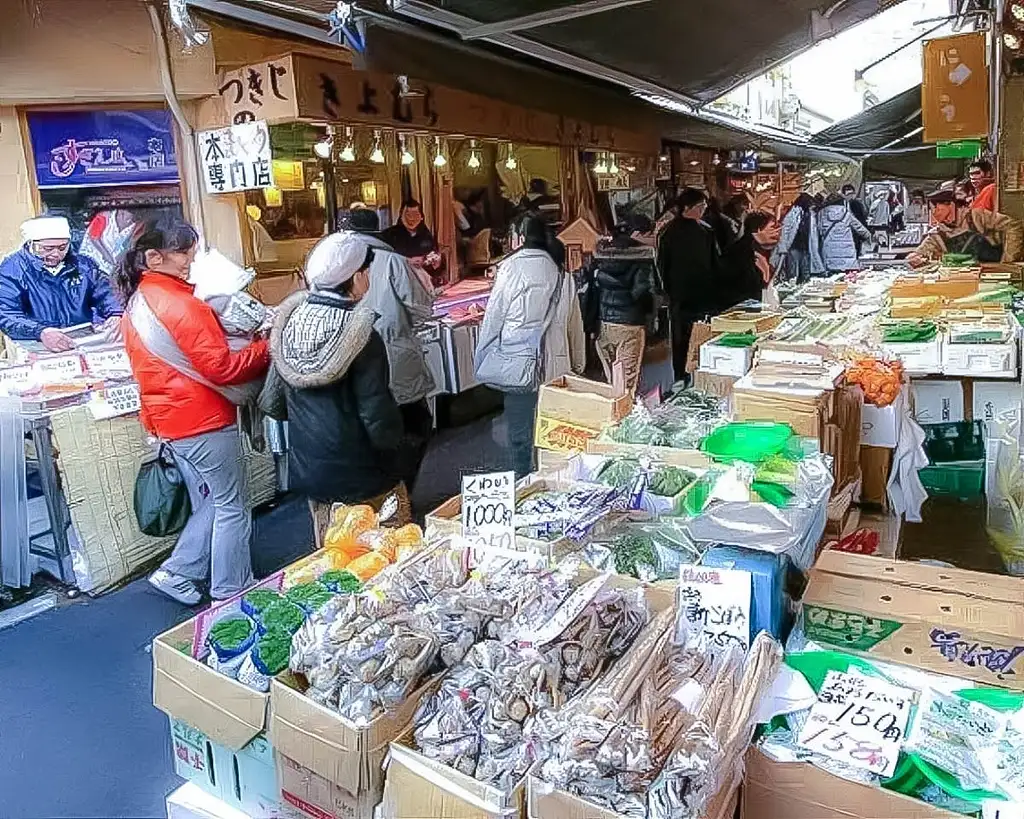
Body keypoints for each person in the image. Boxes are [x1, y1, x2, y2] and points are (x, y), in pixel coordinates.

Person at [118, 222, 270, 605]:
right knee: (233, 505)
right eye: (184, 252)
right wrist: (266, 347)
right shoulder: (181, 304)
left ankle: (178, 572)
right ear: (155, 258)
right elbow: (224, 369)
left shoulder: (140, 300)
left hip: (169, 421)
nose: (191, 261)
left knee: (214, 500)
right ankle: (231, 589)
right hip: (203, 421)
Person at [260, 233, 410, 548]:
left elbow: (273, 402)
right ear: (355, 278)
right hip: (363, 468)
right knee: (383, 548)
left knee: (332, 551)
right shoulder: (362, 337)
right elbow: (376, 413)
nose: (368, 277)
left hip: (311, 465)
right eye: (366, 272)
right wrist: (398, 451)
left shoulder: (290, 325)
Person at [474, 215, 585, 477]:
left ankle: (523, 482)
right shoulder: (561, 274)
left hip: (518, 363)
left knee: (520, 432)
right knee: (554, 432)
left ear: (520, 238)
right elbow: (574, 325)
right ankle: (553, 480)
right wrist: (577, 365)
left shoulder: (509, 269)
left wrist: (484, 358)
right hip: (557, 367)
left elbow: (494, 319)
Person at [345, 208, 435, 492]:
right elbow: (421, 307)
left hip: (350, 366)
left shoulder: (331, 265)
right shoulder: (392, 261)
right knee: (414, 426)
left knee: (371, 433)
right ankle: (399, 494)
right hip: (395, 359)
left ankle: (382, 499)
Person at [0, 216, 123, 351]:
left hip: (82, 341)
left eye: (62, 247)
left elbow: (106, 293)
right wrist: (40, 331)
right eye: (47, 249)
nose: (56, 254)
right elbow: (6, 314)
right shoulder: (11, 269)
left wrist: (116, 314)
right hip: (35, 345)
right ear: (31, 244)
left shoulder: (83, 265)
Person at [657, 187, 722, 382]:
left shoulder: (669, 232)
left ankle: (682, 377)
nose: (703, 209)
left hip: (683, 296)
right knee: (697, 337)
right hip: (699, 295)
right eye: (701, 205)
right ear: (687, 207)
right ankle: (693, 376)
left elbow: (661, 265)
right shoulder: (703, 232)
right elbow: (715, 265)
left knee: (683, 338)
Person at [592, 216, 658, 397]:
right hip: (630, 324)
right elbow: (641, 292)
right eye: (650, 233)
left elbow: (593, 291)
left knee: (613, 382)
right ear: (638, 234)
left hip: (605, 324)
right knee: (627, 384)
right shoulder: (641, 257)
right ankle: (622, 419)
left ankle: (612, 416)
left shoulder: (602, 255)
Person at [908, 183, 1023, 266]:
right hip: (965, 280)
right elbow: (920, 252)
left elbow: (1013, 226)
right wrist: (914, 258)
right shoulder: (938, 234)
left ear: (951, 204)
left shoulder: (977, 217)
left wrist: (1008, 261)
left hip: (996, 275)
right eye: (931, 210)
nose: (934, 213)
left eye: (936, 207)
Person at [721, 212, 780, 307]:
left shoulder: (771, 252)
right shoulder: (738, 254)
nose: (778, 232)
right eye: (773, 228)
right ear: (757, 231)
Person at [770, 193, 823, 284]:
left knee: (803, 270)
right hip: (794, 246)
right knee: (794, 271)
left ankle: (801, 284)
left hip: (804, 246)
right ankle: (794, 285)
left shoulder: (809, 214)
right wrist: (783, 246)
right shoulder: (794, 213)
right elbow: (785, 230)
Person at [818, 193, 873, 274]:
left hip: (829, 250)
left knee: (832, 277)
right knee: (847, 278)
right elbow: (858, 227)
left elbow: (818, 230)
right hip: (847, 250)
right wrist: (868, 236)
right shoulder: (846, 213)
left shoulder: (821, 213)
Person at [841, 184, 870, 255]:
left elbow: (862, 218)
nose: (850, 196)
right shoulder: (841, 205)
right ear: (843, 194)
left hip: (855, 233)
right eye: (848, 194)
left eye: (852, 194)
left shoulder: (857, 204)